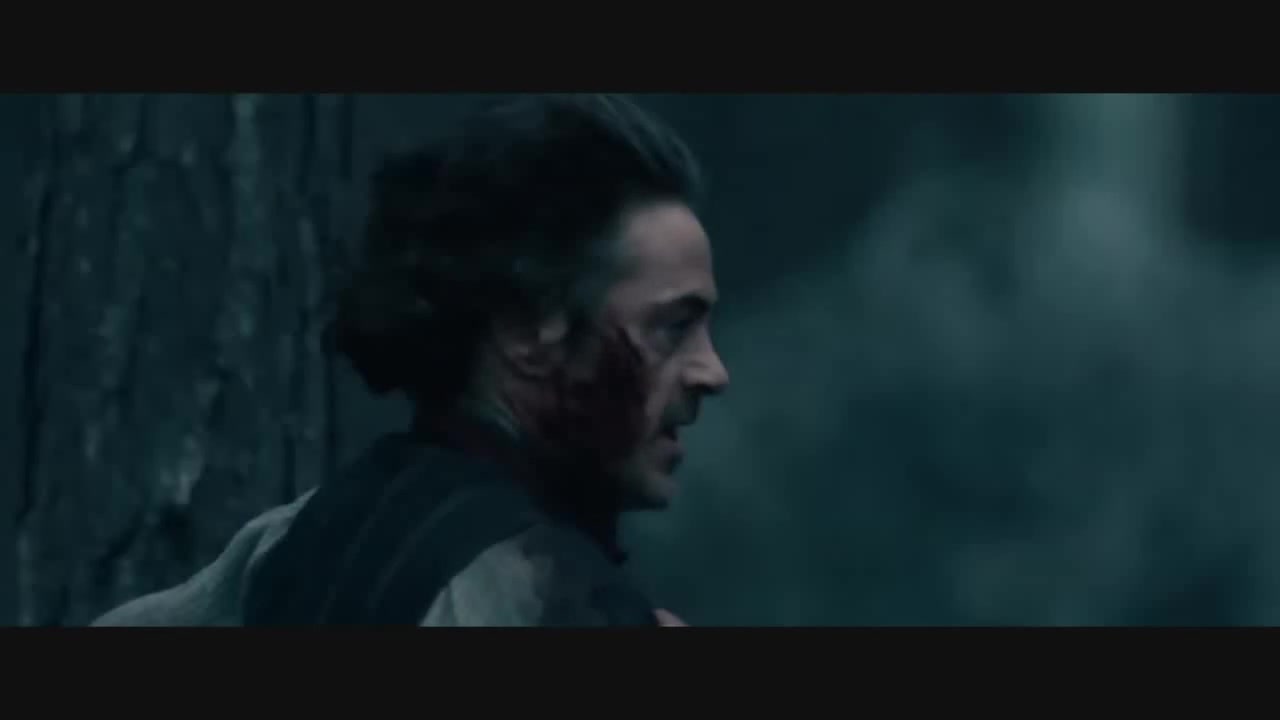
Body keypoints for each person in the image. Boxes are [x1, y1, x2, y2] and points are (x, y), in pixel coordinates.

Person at [91, 94, 729, 627]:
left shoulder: (301, 536)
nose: (712, 372)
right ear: (527, 333)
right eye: (672, 327)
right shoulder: (536, 596)